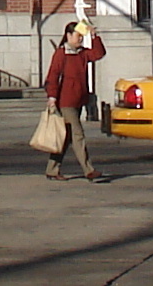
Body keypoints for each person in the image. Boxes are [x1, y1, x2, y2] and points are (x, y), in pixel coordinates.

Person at [42, 20, 109, 183]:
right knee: (78, 134)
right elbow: (53, 76)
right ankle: (89, 170)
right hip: (65, 102)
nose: (80, 39)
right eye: (77, 36)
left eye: (81, 36)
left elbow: (99, 54)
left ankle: (52, 169)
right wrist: (52, 96)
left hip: (79, 100)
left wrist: (94, 36)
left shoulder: (82, 53)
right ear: (68, 36)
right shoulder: (61, 53)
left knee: (65, 137)